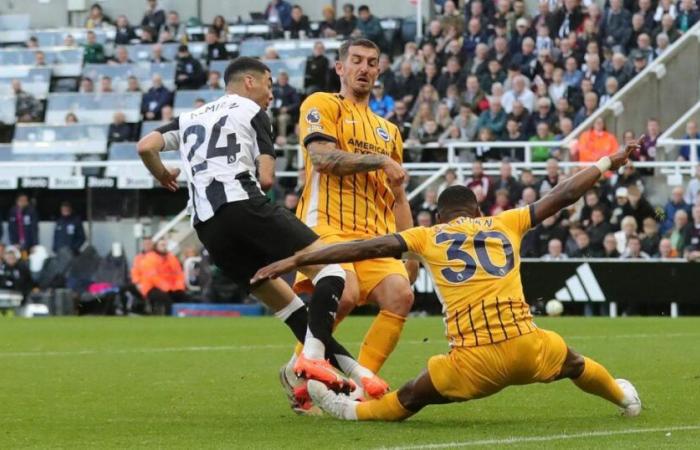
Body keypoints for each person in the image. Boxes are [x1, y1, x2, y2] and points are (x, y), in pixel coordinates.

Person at [254, 140, 644, 422]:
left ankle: (353, 411)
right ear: (477, 209)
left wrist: (299, 257)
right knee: (575, 363)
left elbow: (360, 250)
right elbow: (564, 194)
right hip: (528, 347)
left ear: (439, 216)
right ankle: (623, 398)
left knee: (410, 397)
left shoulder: (428, 236)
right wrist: (610, 159)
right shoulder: (506, 221)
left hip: (474, 362)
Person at [137, 56, 387, 412]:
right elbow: (266, 178)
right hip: (244, 204)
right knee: (333, 270)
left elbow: (145, 145)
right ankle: (313, 358)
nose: (272, 93)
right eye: (269, 84)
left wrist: (163, 174)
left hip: (206, 227)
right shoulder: (252, 112)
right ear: (250, 82)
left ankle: (355, 373)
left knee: (291, 309)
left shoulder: (191, 117)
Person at [286, 39, 416, 389]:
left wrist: (411, 250)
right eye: (356, 61)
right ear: (340, 68)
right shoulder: (321, 104)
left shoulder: (389, 132)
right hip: (326, 224)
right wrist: (380, 160)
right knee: (343, 293)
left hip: (374, 234)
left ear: (378, 71)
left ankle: (361, 387)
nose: (364, 68)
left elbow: (398, 194)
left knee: (401, 296)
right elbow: (324, 159)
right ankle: (299, 373)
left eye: (372, 63)